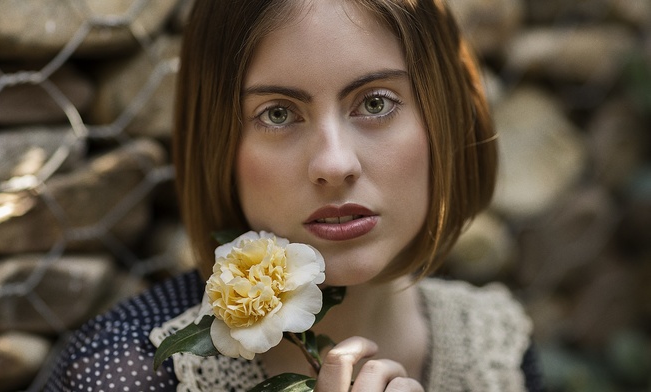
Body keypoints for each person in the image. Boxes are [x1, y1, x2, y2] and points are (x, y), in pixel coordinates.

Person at [45, 0, 543, 391]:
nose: (334, 164)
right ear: (219, 145)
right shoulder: (121, 371)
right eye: (278, 113)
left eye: (376, 102)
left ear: (444, 117)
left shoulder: (495, 349)